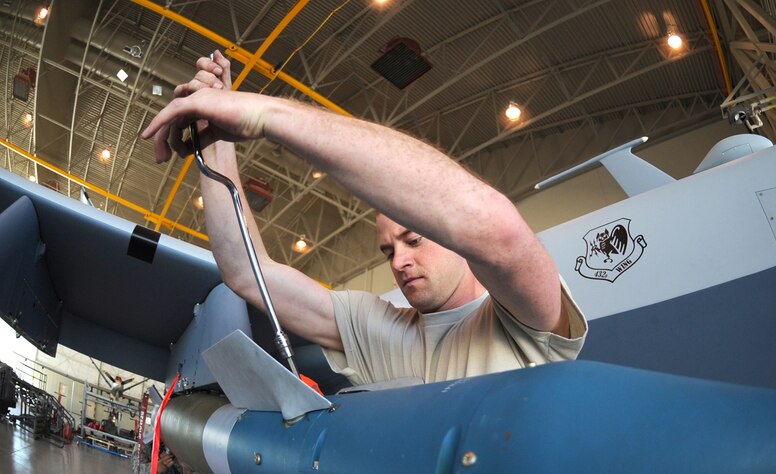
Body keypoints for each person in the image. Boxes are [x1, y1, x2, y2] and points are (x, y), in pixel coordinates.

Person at [142, 52, 587, 390]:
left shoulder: (525, 325)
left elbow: (497, 229)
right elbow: (244, 271)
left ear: (456, 240)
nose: (399, 261)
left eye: (414, 239)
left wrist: (265, 114)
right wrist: (215, 139)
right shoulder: (378, 329)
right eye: (389, 250)